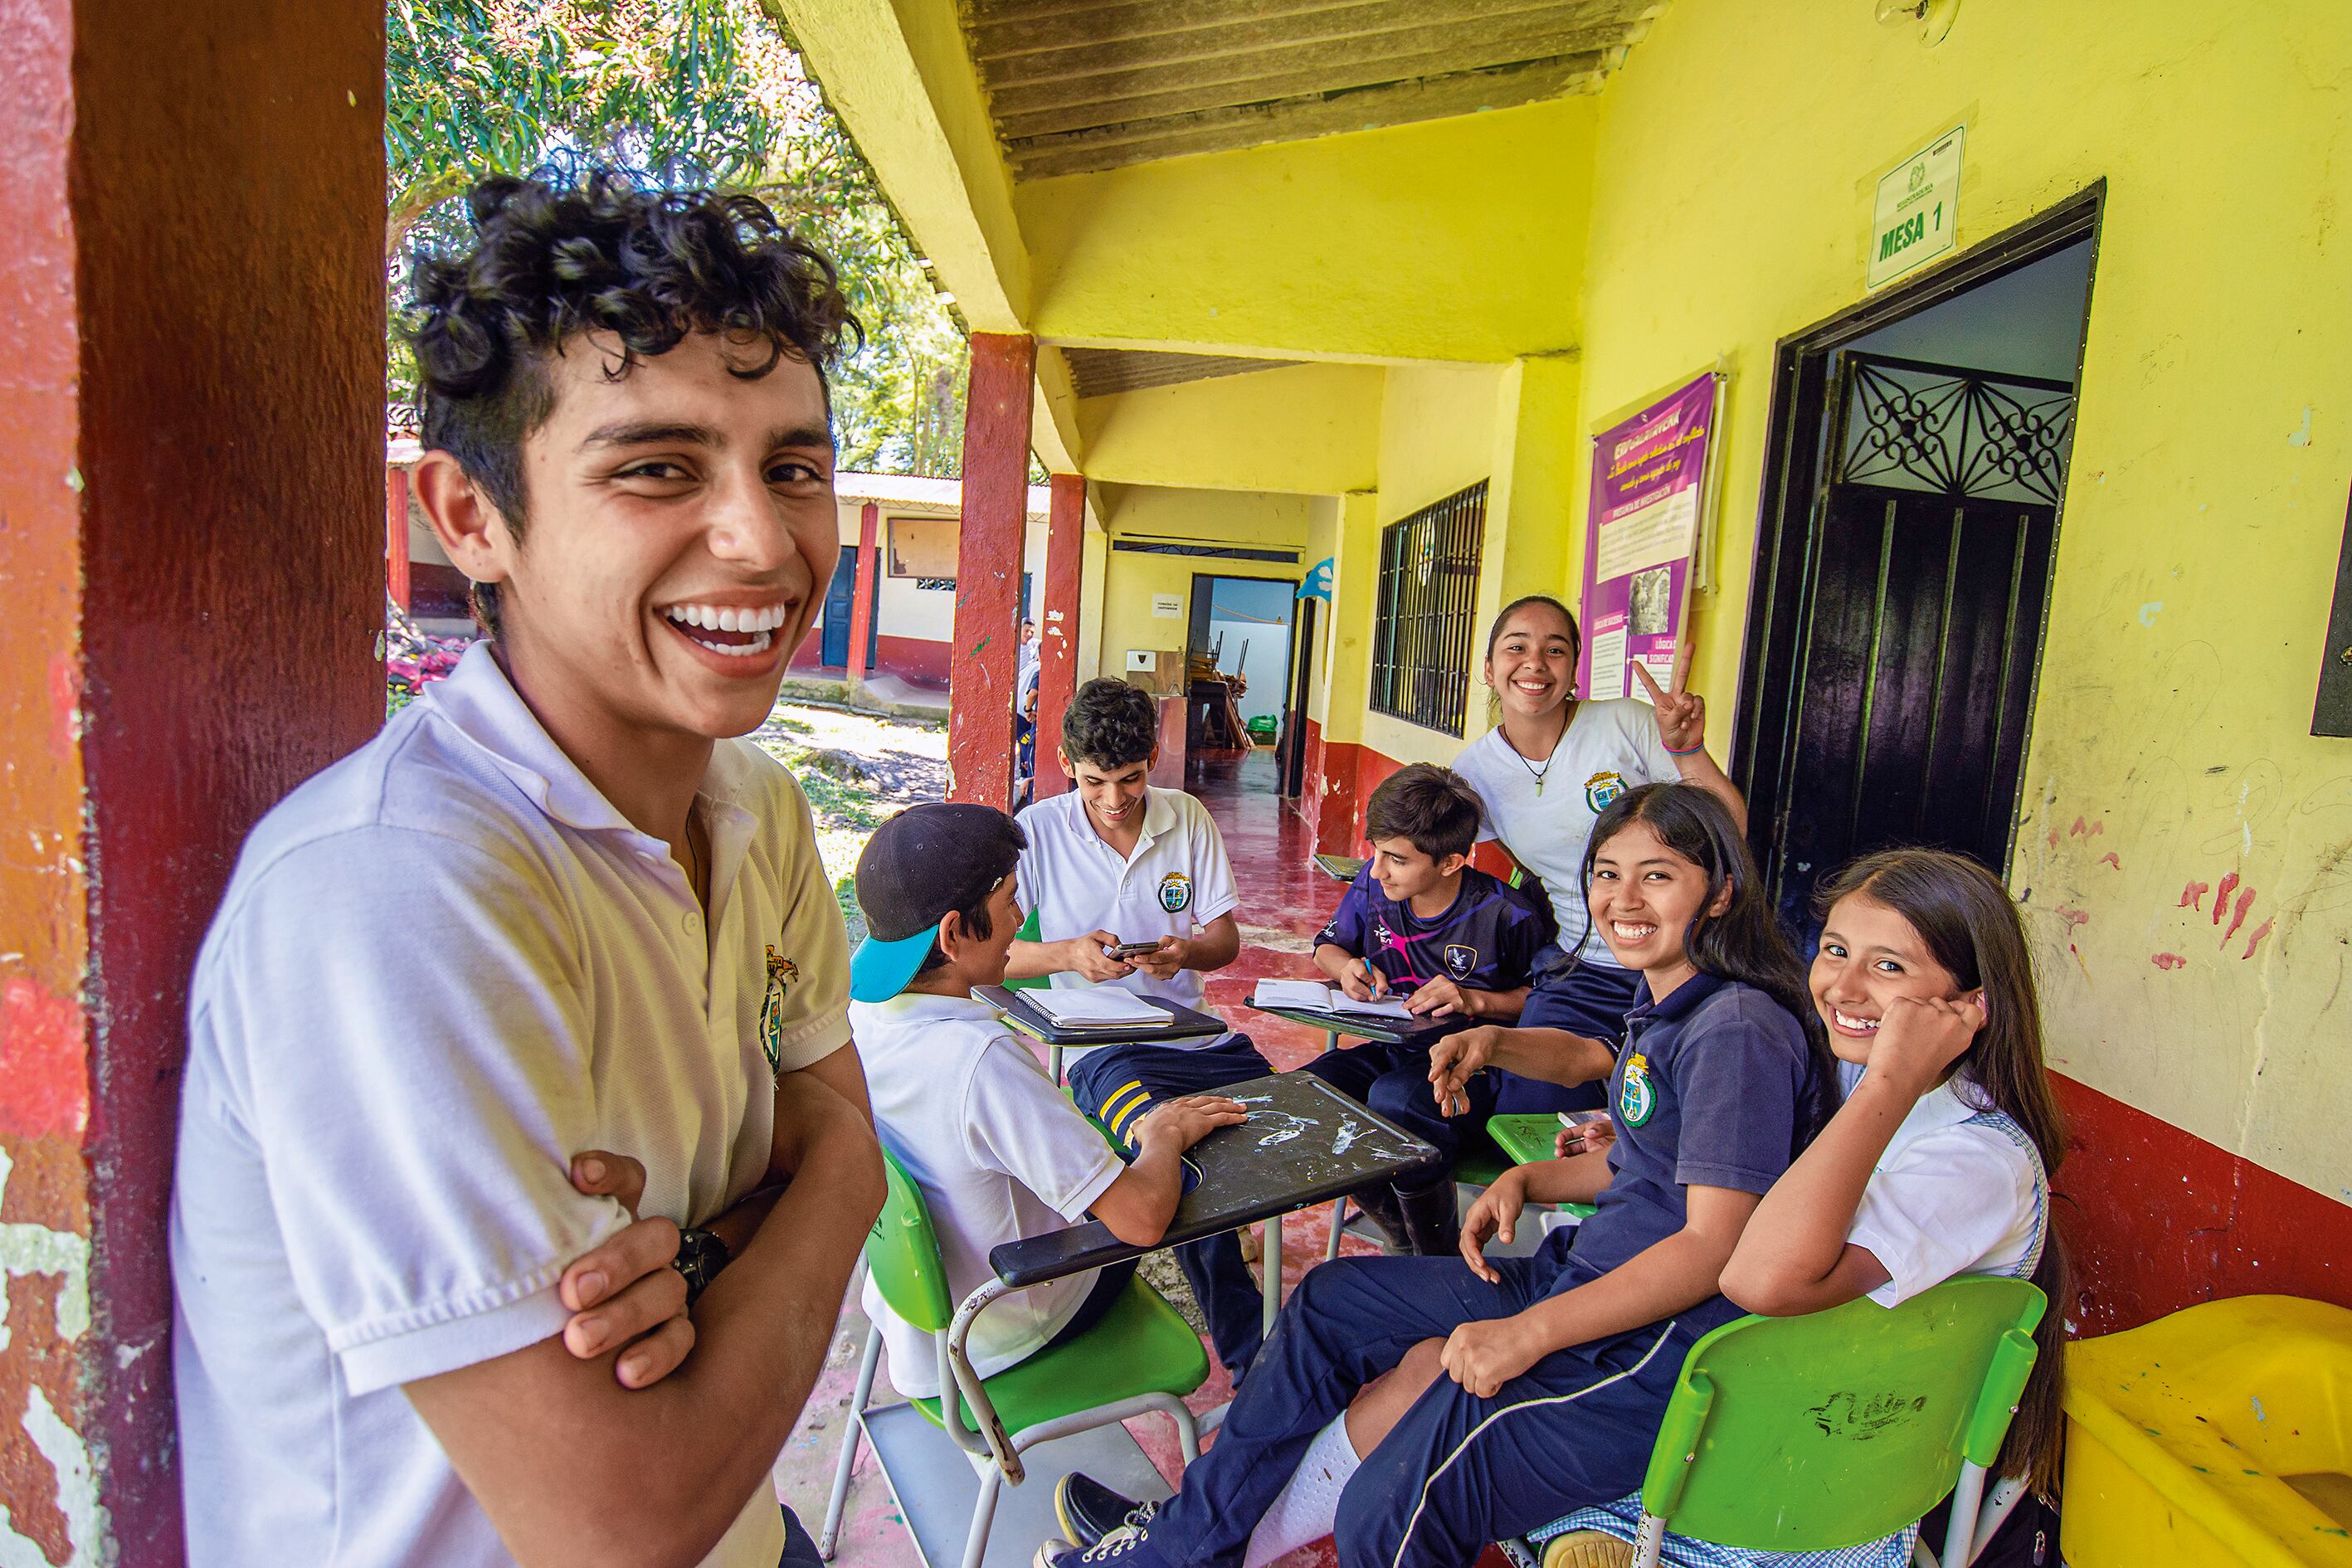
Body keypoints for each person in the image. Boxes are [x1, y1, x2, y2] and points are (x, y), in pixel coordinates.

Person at [169, 169, 886, 1568]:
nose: (762, 538)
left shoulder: (758, 816)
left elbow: (829, 1115)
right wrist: (844, 1179)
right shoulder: (395, 890)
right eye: (657, 468)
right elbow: (624, 1518)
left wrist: (752, 1215)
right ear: (470, 515)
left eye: (793, 466)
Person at [1040, 783, 1838, 1568]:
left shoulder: (1734, 1028)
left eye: (1657, 875)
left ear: (1722, 892)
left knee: (1387, 1516)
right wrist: (1530, 1179)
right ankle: (1187, 1541)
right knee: (1329, 1302)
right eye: (1606, 873)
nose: (1622, 898)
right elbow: (1647, 1163)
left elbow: (1712, 1243)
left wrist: (1524, 1335)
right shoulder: (1671, 1001)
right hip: (1586, 1275)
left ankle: (1178, 1546)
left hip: (1645, 1340)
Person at [1538, 846, 2071, 1566]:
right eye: (1835, 951)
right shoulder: (1857, 1080)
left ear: (1970, 1004)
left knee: (1507, 1449)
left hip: (1819, 1495)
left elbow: (1756, 1279)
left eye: (1888, 967)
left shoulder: (1974, 1158)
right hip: (1765, 1436)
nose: (1844, 988)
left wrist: (1890, 1081)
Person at [844, 801, 1247, 1396]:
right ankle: (1251, 1348)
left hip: (917, 1316)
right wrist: (1161, 1135)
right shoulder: (977, 1059)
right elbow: (1140, 1220)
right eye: (1009, 901)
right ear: (954, 934)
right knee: (1165, 1182)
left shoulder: (863, 1013)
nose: (1017, 920)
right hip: (1003, 1325)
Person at [1006, 676, 1269, 1382]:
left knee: (1299, 1119)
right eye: (1095, 781)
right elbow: (991, 951)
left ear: (1154, 757)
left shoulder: (1186, 819)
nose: (1115, 800)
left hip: (1197, 1038)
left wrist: (1186, 951)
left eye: (1129, 778)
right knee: (1181, 1174)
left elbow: (1224, 940)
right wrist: (1065, 955)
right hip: (1101, 1054)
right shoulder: (1037, 830)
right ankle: (1251, 1359)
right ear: (1065, 762)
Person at [1433, 595, 1750, 1118]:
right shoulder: (1475, 773)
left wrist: (1688, 750)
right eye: (1517, 647)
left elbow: (1728, 831)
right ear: (1488, 669)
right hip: (1584, 969)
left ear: (1574, 669)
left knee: (1675, 1109)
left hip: (1685, 959)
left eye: (1554, 650)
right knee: (1531, 1107)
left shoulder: (1627, 723)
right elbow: (1505, 875)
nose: (1535, 663)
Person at [1300, 763, 1556, 1254]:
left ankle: (1433, 1254)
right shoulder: (1375, 889)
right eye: (1376, 852)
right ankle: (1405, 1235)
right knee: (1315, 1094)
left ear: (1450, 862)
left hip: (1477, 1068)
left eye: (1396, 859)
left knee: (1396, 1100)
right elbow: (1326, 946)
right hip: (1400, 1048)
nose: (1376, 870)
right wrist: (1346, 967)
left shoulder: (1505, 913)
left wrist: (1475, 999)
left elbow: (1544, 1004)